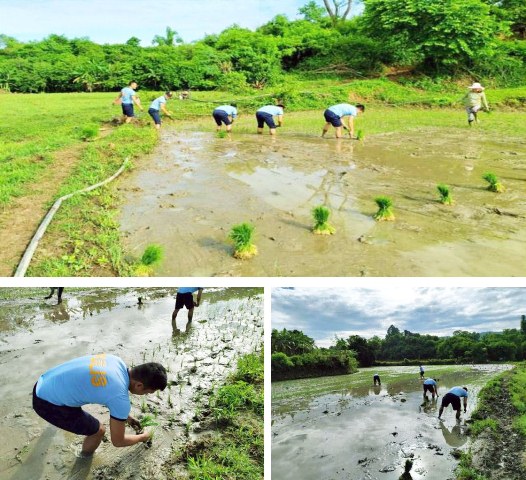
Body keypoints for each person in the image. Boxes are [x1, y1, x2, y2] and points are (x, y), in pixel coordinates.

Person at [32, 354, 167, 456]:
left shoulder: (116, 361)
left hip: (43, 383)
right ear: (139, 385)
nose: (148, 395)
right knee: (98, 431)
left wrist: (128, 418)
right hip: (45, 403)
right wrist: (143, 437)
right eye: (149, 392)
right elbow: (118, 441)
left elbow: (105, 390)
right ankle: (84, 459)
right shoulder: (119, 397)